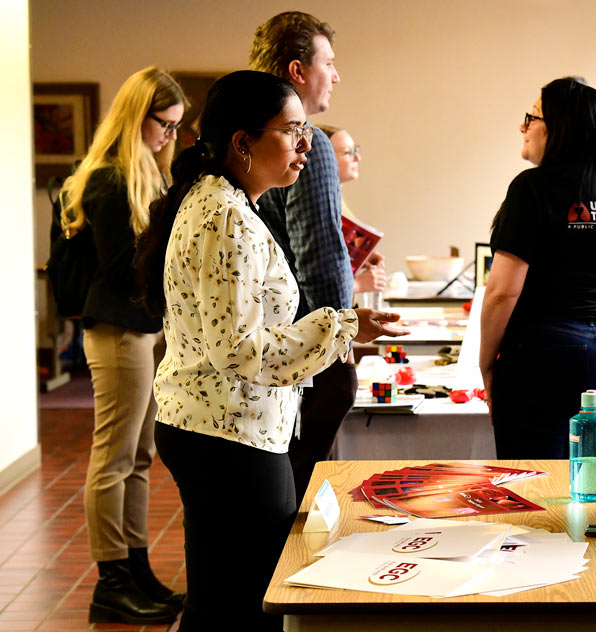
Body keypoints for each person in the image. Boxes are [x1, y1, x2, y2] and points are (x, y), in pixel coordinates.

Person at [134, 70, 407, 631]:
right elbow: (241, 350)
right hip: (226, 434)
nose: (306, 145)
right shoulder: (224, 216)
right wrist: (340, 328)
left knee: (226, 595)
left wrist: (343, 326)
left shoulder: (231, 202)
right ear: (242, 142)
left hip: (228, 427)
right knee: (242, 603)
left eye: (306, 130)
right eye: (291, 131)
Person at [57, 66, 187, 625]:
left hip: (144, 329)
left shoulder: (145, 175)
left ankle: (137, 569)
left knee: (139, 456)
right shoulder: (110, 179)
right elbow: (120, 269)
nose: (170, 137)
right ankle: (111, 579)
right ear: (138, 116)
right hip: (117, 330)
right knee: (112, 457)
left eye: (178, 127)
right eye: (165, 124)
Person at [480, 78, 596, 459]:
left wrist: (486, 362)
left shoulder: (531, 188)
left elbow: (503, 291)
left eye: (532, 116)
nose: (523, 127)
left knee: (535, 478)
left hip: (544, 350)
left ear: (560, 128)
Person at [249, 12, 360, 505]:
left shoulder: (246, 137)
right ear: (297, 71)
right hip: (299, 343)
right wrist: (342, 336)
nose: (335, 76)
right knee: (295, 498)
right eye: (328, 64)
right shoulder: (304, 142)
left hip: (255, 341)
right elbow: (320, 253)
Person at [319, 124, 387, 296]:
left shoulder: (336, 195)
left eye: (356, 149)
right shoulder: (319, 203)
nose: (357, 157)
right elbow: (316, 273)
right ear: (324, 157)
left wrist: (362, 258)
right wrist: (357, 285)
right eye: (348, 152)